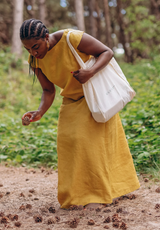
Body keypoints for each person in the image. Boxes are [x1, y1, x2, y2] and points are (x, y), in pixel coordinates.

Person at [20, 19, 140, 209]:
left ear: (46, 36)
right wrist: (39, 111)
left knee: (90, 145)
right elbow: (48, 91)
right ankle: (76, 196)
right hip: (71, 100)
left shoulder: (71, 38)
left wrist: (90, 72)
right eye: (28, 49)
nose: (34, 52)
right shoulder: (35, 59)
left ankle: (98, 196)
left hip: (95, 97)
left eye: (36, 46)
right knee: (68, 143)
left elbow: (106, 52)